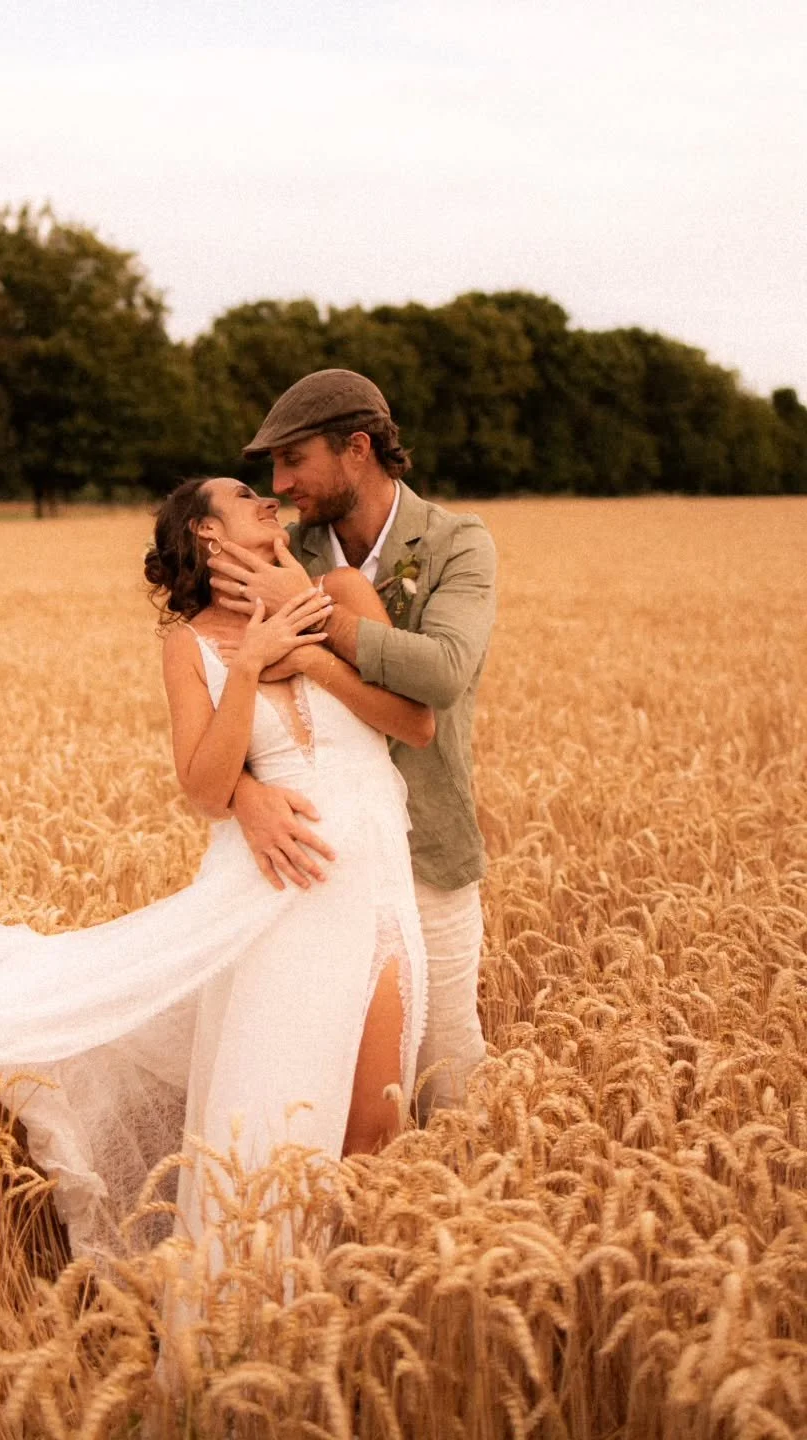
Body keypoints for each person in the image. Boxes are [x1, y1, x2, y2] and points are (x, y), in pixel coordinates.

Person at [0, 475, 432, 1259]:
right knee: (275, 1126)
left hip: (373, 887)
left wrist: (305, 643)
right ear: (205, 533)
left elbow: (413, 721)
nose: (271, 499)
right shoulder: (189, 645)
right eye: (245, 496)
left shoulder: (340, 593)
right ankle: (253, 1329)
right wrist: (249, 672)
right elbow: (202, 786)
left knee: (377, 1125)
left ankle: (355, 1310)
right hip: (278, 900)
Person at [207, 370, 496, 1113]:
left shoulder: (458, 542)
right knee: (325, 1079)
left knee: (445, 1071)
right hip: (316, 862)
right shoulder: (276, 549)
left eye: (293, 459)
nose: (277, 484)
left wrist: (309, 615)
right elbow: (225, 696)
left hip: (428, 846)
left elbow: (445, 672)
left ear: (357, 448)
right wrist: (243, 796)